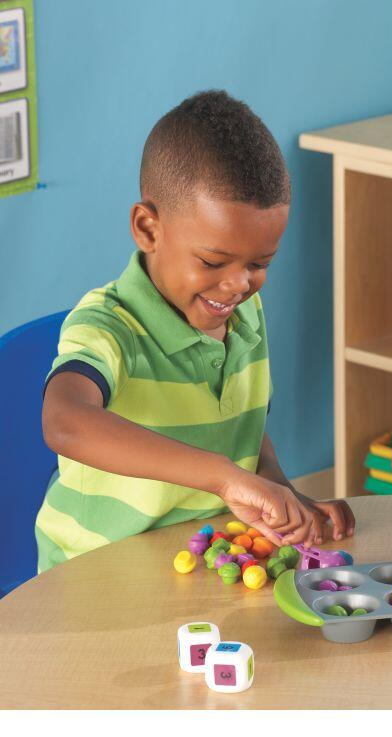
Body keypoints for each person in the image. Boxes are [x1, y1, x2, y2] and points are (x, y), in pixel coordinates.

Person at [36, 90, 354, 572]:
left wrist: (280, 493)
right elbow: (65, 422)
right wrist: (223, 478)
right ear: (148, 228)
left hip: (196, 564)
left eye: (259, 264)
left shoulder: (245, 314)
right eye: (212, 261)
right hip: (92, 577)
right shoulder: (108, 325)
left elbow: (244, 430)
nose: (239, 284)